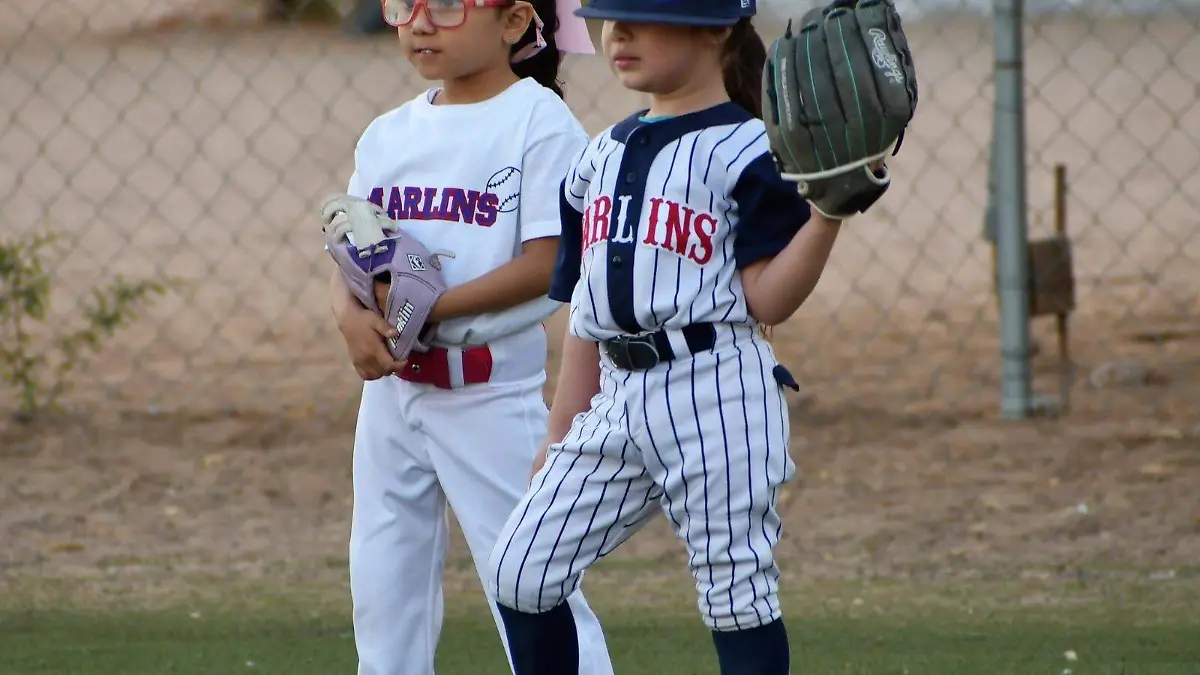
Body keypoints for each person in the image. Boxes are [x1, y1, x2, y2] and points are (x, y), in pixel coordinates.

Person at [485, 1, 890, 674]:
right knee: (520, 571)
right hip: (615, 396)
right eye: (612, 18)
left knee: (735, 591)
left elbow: (768, 299)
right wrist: (559, 432)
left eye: (647, 17)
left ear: (713, 29)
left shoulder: (752, 149)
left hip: (716, 388)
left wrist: (827, 214)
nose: (620, 33)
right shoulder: (600, 156)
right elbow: (588, 311)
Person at [327, 1, 616, 673]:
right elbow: (350, 246)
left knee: (531, 580)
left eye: (450, 5)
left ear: (515, 22)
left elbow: (552, 262)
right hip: (392, 400)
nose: (420, 23)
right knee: (382, 588)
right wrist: (349, 318)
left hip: (489, 392)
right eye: (405, 4)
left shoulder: (538, 121)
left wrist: (434, 308)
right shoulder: (388, 133)